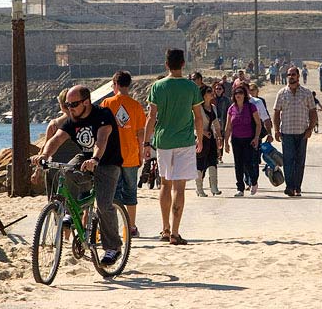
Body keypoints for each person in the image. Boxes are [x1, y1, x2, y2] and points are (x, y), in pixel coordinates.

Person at [30, 85, 123, 266]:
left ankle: (113, 248)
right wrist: (44, 156)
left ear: (86, 102)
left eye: (74, 104)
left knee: (104, 205)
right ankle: (71, 214)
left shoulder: (103, 115)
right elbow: (56, 139)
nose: (70, 108)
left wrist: (95, 158)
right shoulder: (72, 119)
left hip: (107, 162)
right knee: (67, 172)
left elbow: (101, 140)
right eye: (67, 104)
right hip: (85, 158)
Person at [144, 49, 203, 245]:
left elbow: (151, 117)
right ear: (183, 63)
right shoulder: (191, 87)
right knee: (180, 187)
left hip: (163, 141)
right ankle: (176, 233)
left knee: (165, 184)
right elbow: (198, 117)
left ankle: (165, 229)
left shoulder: (157, 86)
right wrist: (200, 139)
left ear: (166, 64)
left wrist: (146, 142)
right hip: (184, 141)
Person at [101, 71, 146, 238]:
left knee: (113, 193)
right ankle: (131, 227)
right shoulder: (136, 105)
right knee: (131, 192)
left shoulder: (107, 103)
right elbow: (140, 132)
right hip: (131, 155)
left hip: (111, 157)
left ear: (116, 84)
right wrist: (141, 153)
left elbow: (101, 129)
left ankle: (113, 227)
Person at [273, 66, 317, 197]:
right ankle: (290, 186)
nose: (291, 77)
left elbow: (313, 112)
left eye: (293, 74)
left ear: (298, 76)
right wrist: (276, 129)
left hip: (302, 132)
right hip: (286, 132)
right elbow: (276, 112)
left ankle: (297, 187)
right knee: (288, 160)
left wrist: (310, 129)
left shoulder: (307, 93)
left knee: (299, 161)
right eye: (289, 75)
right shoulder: (281, 93)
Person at [224, 85, 261, 196]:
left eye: (240, 93)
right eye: (236, 93)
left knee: (248, 163)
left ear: (245, 95)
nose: (238, 95)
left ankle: (253, 182)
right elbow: (228, 127)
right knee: (238, 164)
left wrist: (256, 137)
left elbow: (258, 124)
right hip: (236, 139)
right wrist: (226, 142)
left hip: (248, 139)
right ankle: (240, 188)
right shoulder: (231, 109)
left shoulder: (251, 107)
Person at [30, 88, 70, 187]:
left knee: (55, 200)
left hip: (55, 167)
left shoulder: (55, 124)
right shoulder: (85, 122)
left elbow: (45, 148)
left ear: (61, 105)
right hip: (78, 168)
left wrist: (37, 171)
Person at [195, 85, 223, 197]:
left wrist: (219, 137)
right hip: (199, 138)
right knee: (200, 163)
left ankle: (214, 187)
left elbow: (216, 124)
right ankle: (199, 188)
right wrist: (202, 132)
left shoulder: (213, 107)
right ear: (203, 95)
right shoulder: (197, 108)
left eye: (212, 91)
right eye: (209, 91)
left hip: (210, 138)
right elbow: (193, 124)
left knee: (213, 161)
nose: (212, 93)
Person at [214, 82, 231, 162]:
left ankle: (220, 156)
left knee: (221, 139)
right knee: (214, 140)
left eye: (220, 89)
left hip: (223, 122)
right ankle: (215, 156)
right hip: (213, 123)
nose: (218, 90)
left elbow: (229, 112)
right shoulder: (212, 99)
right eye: (216, 89)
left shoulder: (226, 100)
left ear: (223, 90)